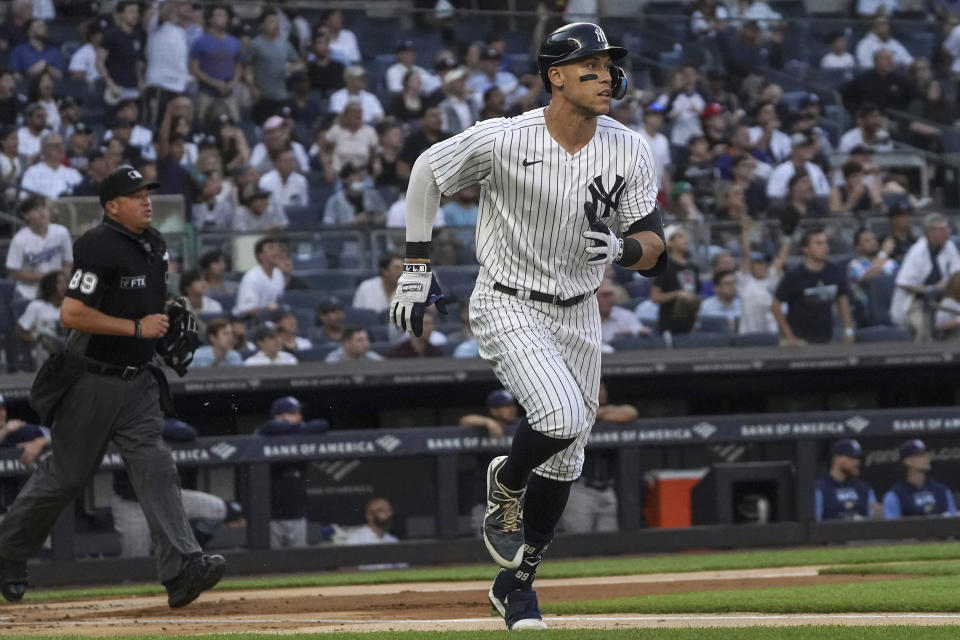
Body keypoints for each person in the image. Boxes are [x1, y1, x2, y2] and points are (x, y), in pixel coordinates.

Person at [387, 22, 666, 630]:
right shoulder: (503, 137)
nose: (604, 75)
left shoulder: (630, 147)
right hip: (508, 299)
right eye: (588, 65)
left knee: (566, 461)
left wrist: (622, 249)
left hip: (580, 311)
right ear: (555, 76)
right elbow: (426, 173)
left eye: (608, 65)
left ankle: (517, 584)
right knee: (561, 419)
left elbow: (656, 249)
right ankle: (506, 478)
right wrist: (414, 265)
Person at [0, 167, 225, 606]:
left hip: (138, 381)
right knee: (66, 477)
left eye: (147, 193)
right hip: (92, 378)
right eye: (135, 195)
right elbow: (72, 314)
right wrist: (137, 327)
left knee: (156, 464)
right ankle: (7, 552)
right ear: (112, 206)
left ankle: (182, 569)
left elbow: (147, 300)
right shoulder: (97, 245)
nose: (146, 200)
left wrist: (168, 310)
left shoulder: (154, 243)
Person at [111, 418, 245, 557]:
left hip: (168, 499)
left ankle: (187, 555)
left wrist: (151, 425)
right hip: (133, 504)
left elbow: (188, 433)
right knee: (135, 561)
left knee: (218, 510)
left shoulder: (158, 423)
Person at [560, 380, 634, 534]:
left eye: (603, 388)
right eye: (598, 388)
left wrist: (597, 413)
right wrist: (596, 414)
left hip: (607, 490)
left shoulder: (610, 412)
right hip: (580, 489)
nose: (603, 392)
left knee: (609, 544)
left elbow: (630, 413)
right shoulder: (570, 411)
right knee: (578, 542)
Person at [255, 396, 328, 548]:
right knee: (269, 566)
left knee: (300, 566)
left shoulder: (301, 433)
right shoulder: (264, 433)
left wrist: (298, 428)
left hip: (297, 514)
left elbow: (322, 424)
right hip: (270, 516)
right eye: (293, 413)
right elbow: (270, 427)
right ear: (279, 416)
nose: (299, 417)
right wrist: (301, 429)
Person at [772, 228, 855, 345]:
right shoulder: (794, 275)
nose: (825, 247)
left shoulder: (834, 272)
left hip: (826, 339)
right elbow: (775, 305)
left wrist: (848, 330)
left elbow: (842, 300)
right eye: (819, 243)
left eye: (826, 242)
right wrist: (789, 335)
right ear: (806, 249)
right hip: (800, 341)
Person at [890, 213, 960, 339]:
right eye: (942, 229)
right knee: (924, 329)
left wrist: (945, 285)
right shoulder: (917, 251)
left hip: (944, 299)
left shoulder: (949, 246)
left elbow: (957, 276)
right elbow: (904, 282)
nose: (947, 232)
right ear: (930, 233)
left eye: (947, 228)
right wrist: (930, 289)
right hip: (916, 302)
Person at [5, 196, 72, 300]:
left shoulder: (61, 232)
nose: (42, 212)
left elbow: (68, 262)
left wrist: (61, 280)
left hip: (58, 290)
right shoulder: (19, 239)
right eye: (36, 209)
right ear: (25, 215)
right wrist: (44, 278)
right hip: (29, 292)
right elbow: (14, 274)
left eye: (44, 208)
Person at [245, 10, 303, 124]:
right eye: (271, 21)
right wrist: (252, 88)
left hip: (282, 95)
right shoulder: (255, 44)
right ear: (262, 25)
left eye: (277, 22)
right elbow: (246, 67)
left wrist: (292, 68)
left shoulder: (285, 44)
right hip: (263, 96)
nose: (275, 25)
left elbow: (300, 63)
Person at [189, 5, 243, 124]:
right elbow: (194, 68)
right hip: (206, 92)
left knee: (234, 123)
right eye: (219, 15)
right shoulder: (201, 42)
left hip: (228, 93)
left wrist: (232, 83)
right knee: (202, 123)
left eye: (225, 15)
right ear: (210, 20)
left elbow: (239, 66)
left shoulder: (234, 42)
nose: (223, 18)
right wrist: (214, 83)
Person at [883, 439, 957, 518]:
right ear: (907, 461)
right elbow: (891, 527)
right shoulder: (895, 494)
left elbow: (953, 522)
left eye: (926, 454)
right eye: (920, 455)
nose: (926, 458)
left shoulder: (942, 490)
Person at [651, 225, 700, 336]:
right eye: (680, 236)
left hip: (690, 324)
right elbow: (655, 297)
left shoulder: (694, 268)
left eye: (686, 236)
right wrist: (677, 294)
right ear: (670, 242)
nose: (686, 240)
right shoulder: (664, 267)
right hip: (669, 326)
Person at [815, 439, 879, 521]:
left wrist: (878, 516)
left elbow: (874, 524)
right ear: (836, 458)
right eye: (852, 457)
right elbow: (815, 525)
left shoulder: (865, 489)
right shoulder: (819, 489)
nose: (857, 462)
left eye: (858, 458)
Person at [14, 270, 65, 369]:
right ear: (50, 286)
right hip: (46, 353)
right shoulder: (37, 307)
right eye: (59, 282)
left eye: (65, 282)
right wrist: (37, 338)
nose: (64, 285)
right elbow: (19, 331)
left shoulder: (70, 307)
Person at [97, 1, 146, 105]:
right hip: (116, 88)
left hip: (133, 88)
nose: (135, 15)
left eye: (137, 12)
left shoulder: (138, 36)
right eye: (131, 12)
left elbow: (137, 62)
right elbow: (99, 62)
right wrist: (110, 84)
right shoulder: (111, 34)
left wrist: (140, 80)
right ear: (121, 14)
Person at [19, 132, 83, 200]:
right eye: (55, 146)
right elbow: (24, 198)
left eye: (62, 144)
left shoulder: (73, 173)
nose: (60, 148)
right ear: (44, 149)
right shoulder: (32, 172)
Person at [232, 236, 285, 317]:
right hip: (249, 321)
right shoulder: (252, 277)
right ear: (260, 255)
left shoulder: (278, 274)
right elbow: (245, 310)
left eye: (277, 248)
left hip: (273, 319)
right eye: (271, 248)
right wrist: (266, 308)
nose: (276, 251)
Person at [598, 278, 648, 344]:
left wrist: (628, 333)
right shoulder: (583, 319)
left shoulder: (625, 315)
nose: (610, 299)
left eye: (611, 294)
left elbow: (643, 330)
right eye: (605, 295)